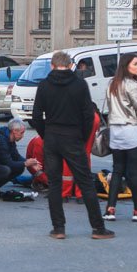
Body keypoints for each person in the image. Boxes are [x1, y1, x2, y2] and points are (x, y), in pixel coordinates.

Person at [32, 50, 112, 240]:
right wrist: (82, 137)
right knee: (85, 183)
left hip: (52, 137)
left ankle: (58, 228)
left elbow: (36, 117)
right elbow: (87, 115)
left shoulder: (44, 85)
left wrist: (46, 134)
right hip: (73, 136)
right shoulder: (79, 84)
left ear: (52, 65)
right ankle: (98, 228)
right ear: (70, 66)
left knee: (55, 185)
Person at [104, 53, 137, 223]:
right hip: (132, 130)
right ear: (127, 66)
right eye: (136, 64)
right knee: (134, 172)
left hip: (116, 131)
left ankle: (110, 209)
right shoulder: (132, 84)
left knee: (117, 170)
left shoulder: (112, 83)